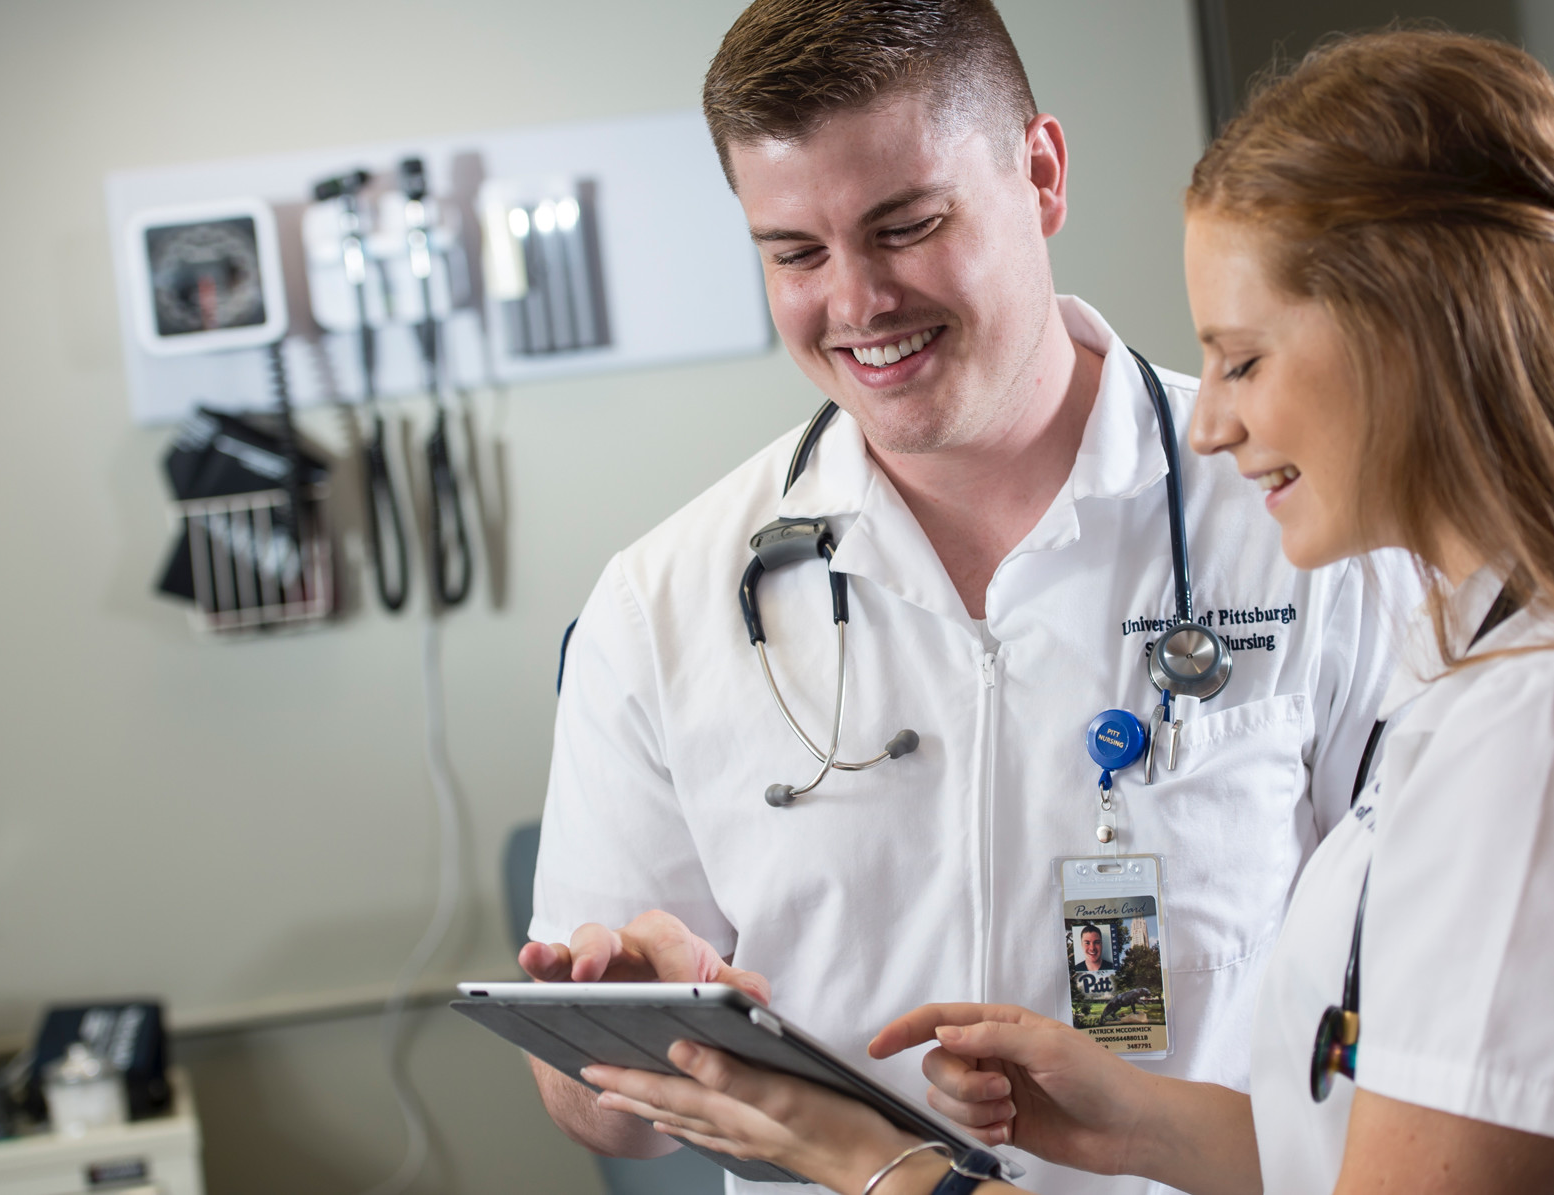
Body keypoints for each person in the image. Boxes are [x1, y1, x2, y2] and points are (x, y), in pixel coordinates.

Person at [570, 29, 1554, 1195]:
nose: (1213, 419)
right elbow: (1374, 1123)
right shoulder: (1494, 662)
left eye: (1240, 357)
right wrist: (1129, 1112)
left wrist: (870, 1159)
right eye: (793, 250)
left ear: (1413, 335)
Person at [518, 4, 1408, 1192]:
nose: (857, 303)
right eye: (793, 252)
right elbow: (601, 1119)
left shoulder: (1308, 520)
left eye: (907, 226)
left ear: (1039, 173)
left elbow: (1436, 1009)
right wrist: (632, 1033)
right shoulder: (658, 605)